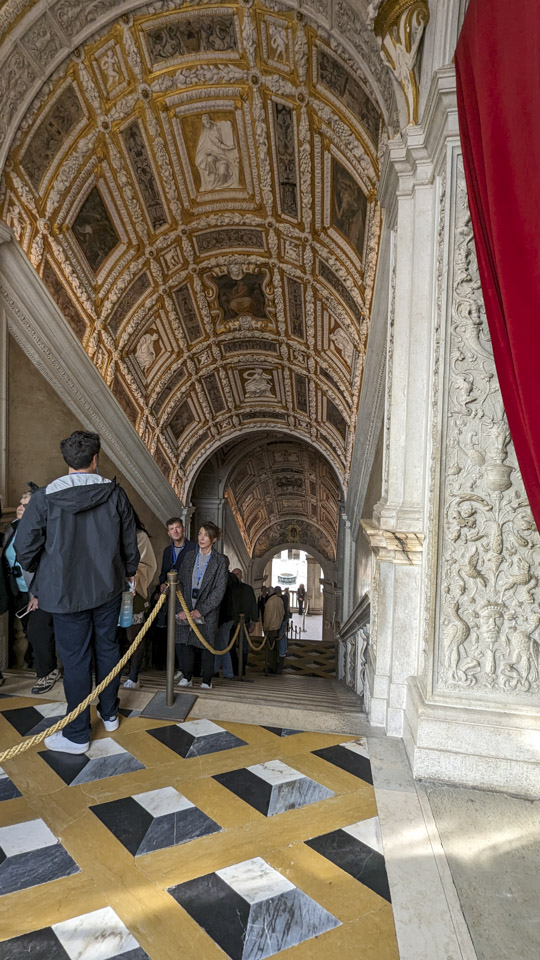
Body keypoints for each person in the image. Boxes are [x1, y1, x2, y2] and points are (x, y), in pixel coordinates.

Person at [15, 430, 139, 755]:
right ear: (96, 459)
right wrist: (128, 572)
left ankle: (77, 733)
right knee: (108, 649)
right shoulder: (115, 495)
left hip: (64, 594)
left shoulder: (43, 498)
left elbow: (24, 546)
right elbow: (130, 542)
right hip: (108, 588)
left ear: (67, 461)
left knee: (75, 660)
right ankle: (110, 713)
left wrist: (42, 577)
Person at [175, 522, 228, 690]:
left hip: (207, 611)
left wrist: (201, 609)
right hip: (187, 605)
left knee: (206, 645)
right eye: (199, 534)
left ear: (213, 539)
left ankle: (206, 680)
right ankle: (187, 676)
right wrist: (182, 607)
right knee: (186, 643)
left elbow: (219, 590)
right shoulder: (190, 556)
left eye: (205, 535)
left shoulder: (219, 561)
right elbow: (181, 583)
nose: (201, 538)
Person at [122, 511, 157, 690]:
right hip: (111, 594)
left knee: (133, 635)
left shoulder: (139, 536)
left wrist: (132, 576)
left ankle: (135, 675)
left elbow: (148, 564)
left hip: (132, 594)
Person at [157, 516, 196, 677]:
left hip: (186, 597)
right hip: (169, 596)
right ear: (168, 532)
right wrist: (161, 583)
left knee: (186, 635)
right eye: (172, 528)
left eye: (178, 527)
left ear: (183, 529)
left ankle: (187, 671)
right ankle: (177, 667)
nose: (175, 531)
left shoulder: (193, 548)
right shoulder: (168, 551)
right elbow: (163, 571)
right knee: (172, 633)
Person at [2, 492, 32, 670]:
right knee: (21, 630)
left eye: (26, 505)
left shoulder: (41, 530)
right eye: (20, 504)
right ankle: (25, 666)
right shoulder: (13, 526)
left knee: (36, 633)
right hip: (16, 589)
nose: (20, 508)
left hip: (35, 591)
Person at [230, 568, 258, 678]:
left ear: (241, 576)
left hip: (244, 623)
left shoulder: (248, 589)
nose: (236, 576)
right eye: (234, 574)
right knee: (230, 646)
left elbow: (253, 605)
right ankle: (234, 668)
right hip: (231, 623)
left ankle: (242, 669)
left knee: (244, 647)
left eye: (237, 574)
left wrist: (253, 621)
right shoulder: (228, 589)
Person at [263, 587, 285, 674]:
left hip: (271, 628)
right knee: (276, 648)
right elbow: (283, 613)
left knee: (270, 649)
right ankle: (276, 666)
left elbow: (267, 617)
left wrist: (265, 627)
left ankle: (271, 668)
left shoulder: (269, 602)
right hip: (278, 627)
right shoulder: (280, 600)